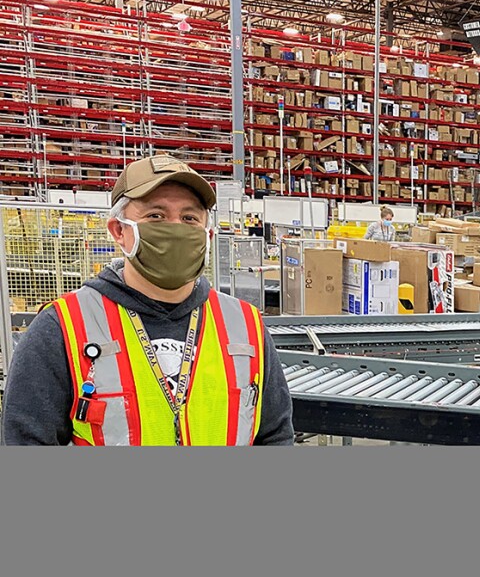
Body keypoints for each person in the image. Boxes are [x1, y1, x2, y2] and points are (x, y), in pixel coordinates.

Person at [1, 154, 294, 446]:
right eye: (156, 216)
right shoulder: (63, 327)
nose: (175, 228)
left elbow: (275, 435)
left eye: (189, 218)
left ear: (208, 235)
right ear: (119, 230)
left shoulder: (245, 325)